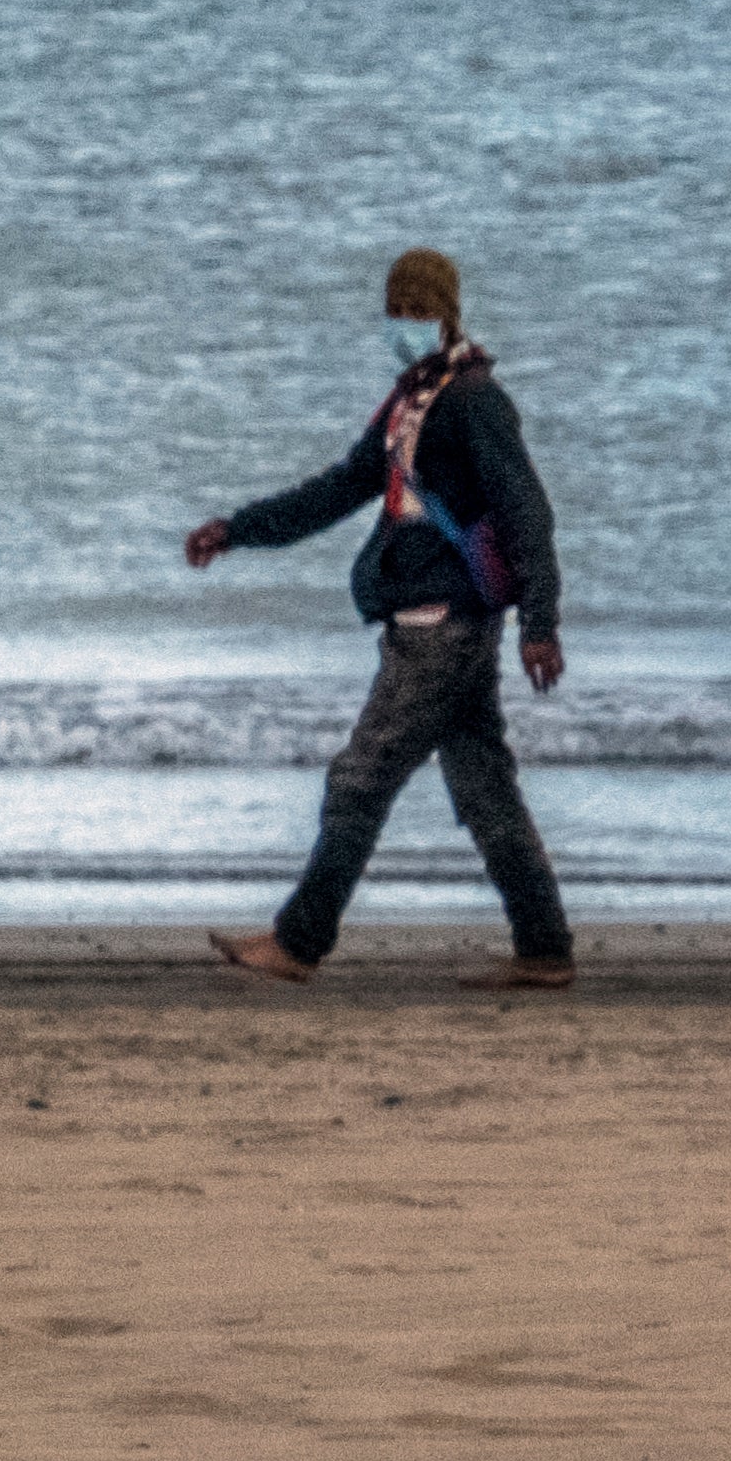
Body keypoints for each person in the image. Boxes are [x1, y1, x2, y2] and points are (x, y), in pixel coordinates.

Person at [189, 248, 578, 991]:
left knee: (360, 780)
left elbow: (528, 511)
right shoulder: (412, 401)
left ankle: (299, 942)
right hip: (437, 623)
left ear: (446, 313)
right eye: (394, 310)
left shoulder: (471, 401)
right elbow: (337, 490)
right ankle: (545, 948)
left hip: (442, 626)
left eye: (415, 310)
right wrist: (237, 529)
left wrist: (541, 621)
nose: (401, 322)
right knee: (485, 787)